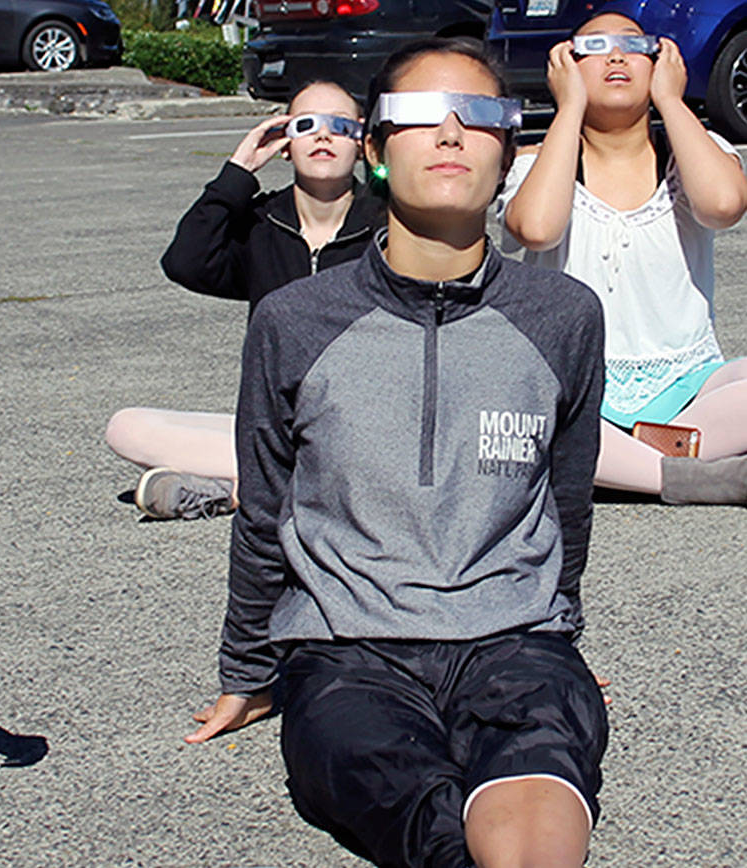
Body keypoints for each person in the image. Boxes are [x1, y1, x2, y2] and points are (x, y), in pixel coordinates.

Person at [188, 40, 610, 867]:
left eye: (481, 115)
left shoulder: (563, 315)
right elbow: (266, 503)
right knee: (401, 799)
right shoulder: (294, 319)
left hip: (514, 637)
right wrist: (246, 667)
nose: (451, 131)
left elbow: (567, 499)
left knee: (541, 785)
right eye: (418, 115)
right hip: (346, 650)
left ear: (510, 149)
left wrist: (560, 641)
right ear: (375, 152)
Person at [104, 79, 385, 520]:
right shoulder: (260, 223)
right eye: (306, 123)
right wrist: (239, 170)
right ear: (285, 142)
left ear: (362, 142)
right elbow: (185, 262)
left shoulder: (388, 228)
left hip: (364, 427)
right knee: (125, 428)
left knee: (356, 451)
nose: (324, 135)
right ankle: (273, 487)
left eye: (340, 125)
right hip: (274, 429)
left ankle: (237, 491)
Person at [499, 11, 747, 504]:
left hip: (686, 386)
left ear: (660, 61)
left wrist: (672, 102)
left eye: (633, 45)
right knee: (512, 405)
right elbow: (538, 230)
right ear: (564, 66)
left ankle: (622, 460)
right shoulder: (535, 164)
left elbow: (723, 207)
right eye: (593, 48)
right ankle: (681, 473)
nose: (615, 56)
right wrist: (567, 108)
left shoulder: (691, 151)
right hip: (573, 385)